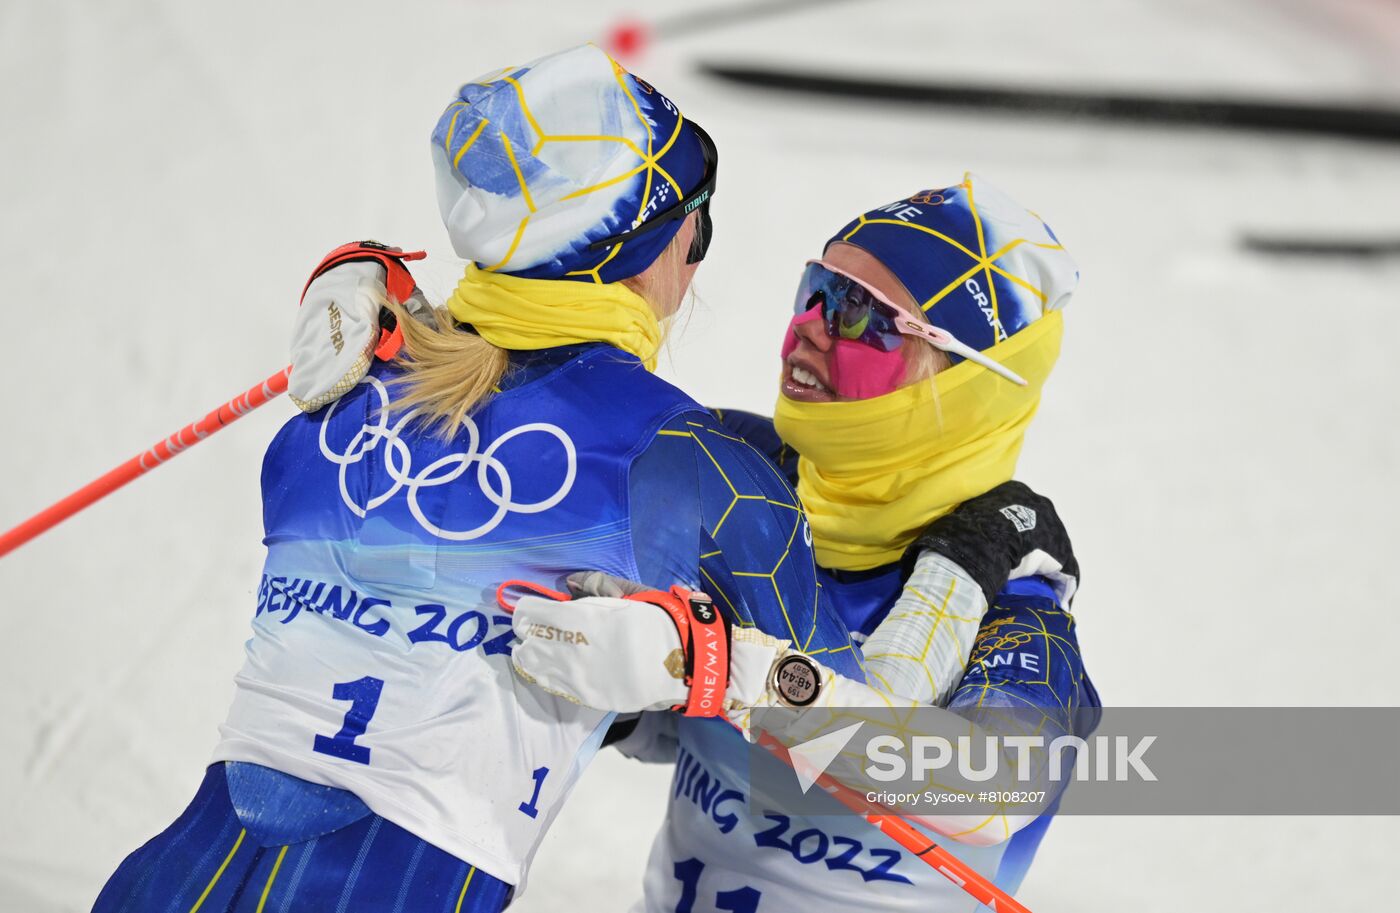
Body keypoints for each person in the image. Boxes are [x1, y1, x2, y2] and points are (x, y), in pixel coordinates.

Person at [89, 46, 1044, 913]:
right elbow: (874, 716)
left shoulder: (340, 388)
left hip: (167, 879)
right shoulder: (699, 470)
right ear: (647, 252)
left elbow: (473, 435)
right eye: (698, 229)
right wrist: (968, 553)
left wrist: (375, 281)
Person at [511, 175, 1100, 911]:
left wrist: (727, 671)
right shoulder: (747, 491)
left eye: (863, 314)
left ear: (970, 387)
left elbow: (986, 789)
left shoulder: (1017, 609)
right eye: (815, 289)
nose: (810, 327)